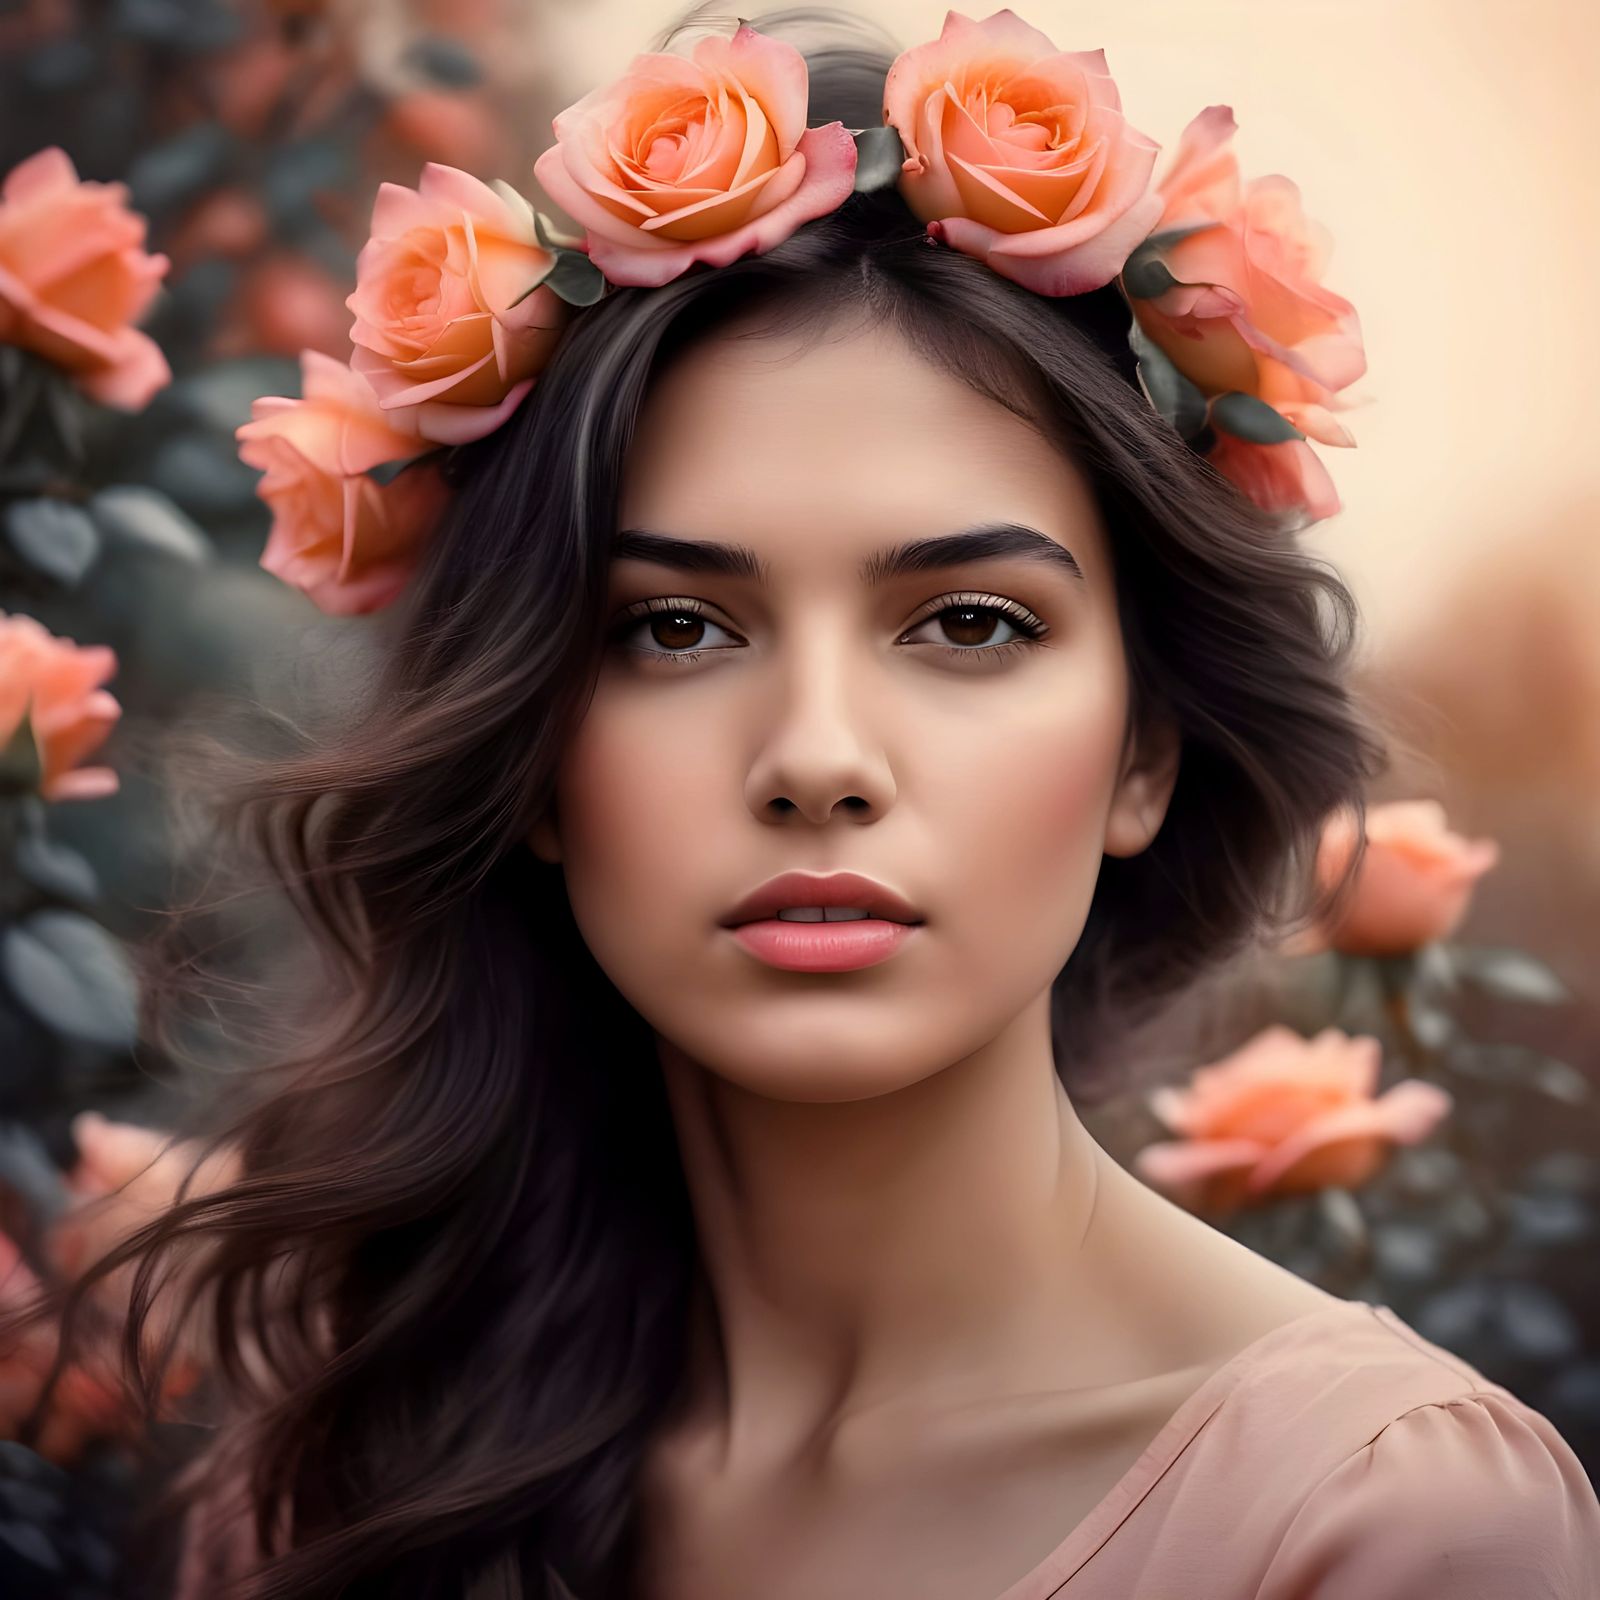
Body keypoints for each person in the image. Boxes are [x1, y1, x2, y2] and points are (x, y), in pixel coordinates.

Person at [8, 6, 1597, 1598]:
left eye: (970, 623)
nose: (820, 757)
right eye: (675, 629)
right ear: (534, 757)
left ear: (1145, 755)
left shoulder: (1386, 1527)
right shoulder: (333, 1493)